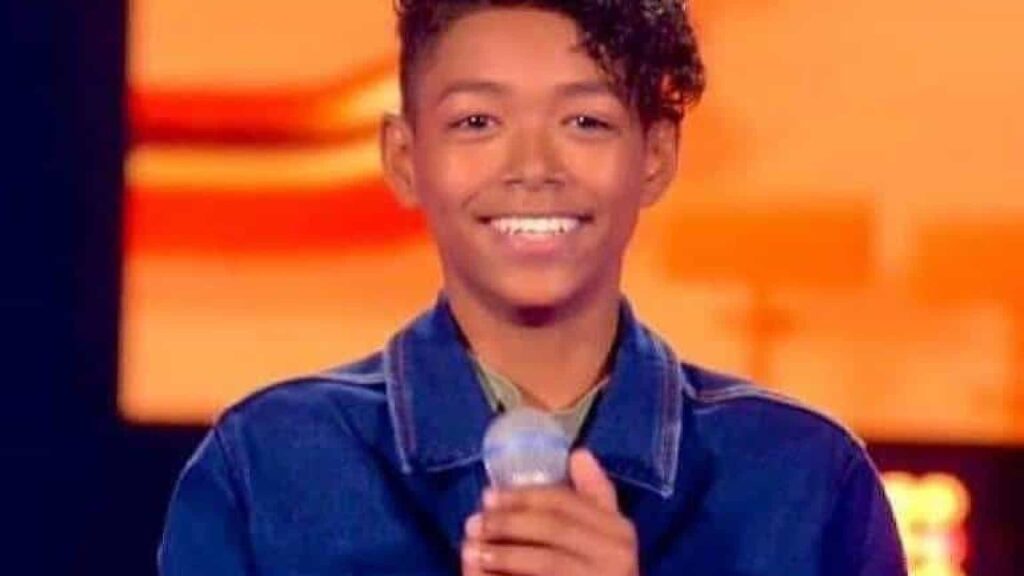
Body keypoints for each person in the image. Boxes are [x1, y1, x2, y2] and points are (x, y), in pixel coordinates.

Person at [158, 1, 907, 575]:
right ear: (404, 157)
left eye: (584, 120)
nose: (533, 167)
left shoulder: (805, 481)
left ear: (656, 155)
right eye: (477, 121)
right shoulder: (267, 468)